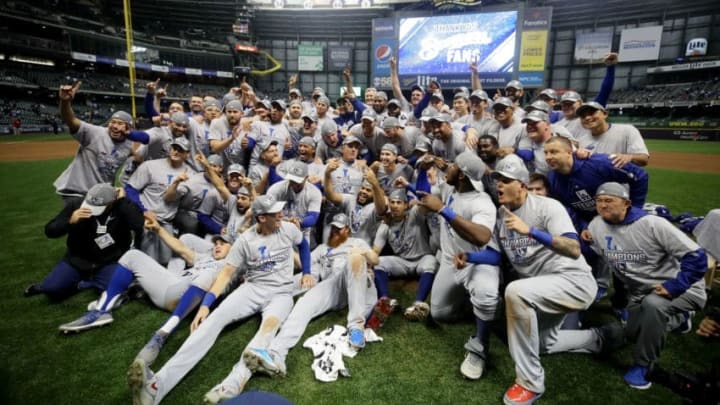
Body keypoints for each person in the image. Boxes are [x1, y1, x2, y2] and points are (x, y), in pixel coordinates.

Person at [128, 195, 313, 405]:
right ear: (262, 218)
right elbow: (225, 274)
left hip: (281, 293)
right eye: (275, 213)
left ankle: (231, 385)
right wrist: (206, 305)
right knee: (210, 324)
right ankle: (156, 386)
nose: (281, 214)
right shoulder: (245, 241)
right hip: (252, 289)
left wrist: (307, 271)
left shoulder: (288, 229)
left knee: (264, 337)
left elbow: (304, 245)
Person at [461, 156, 599, 404]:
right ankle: (599, 338)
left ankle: (530, 383)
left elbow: (573, 248)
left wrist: (532, 231)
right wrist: (470, 257)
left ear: (522, 185)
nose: (498, 185)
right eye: (497, 180)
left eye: (506, 180)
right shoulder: (501, 218)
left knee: (515, 292)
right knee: (542, 343)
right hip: (541, 289)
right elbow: (497, 256)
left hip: (573, 281)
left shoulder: (548, 207)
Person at [587, 182, 707, 389]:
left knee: (654, 305)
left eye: (609, 200)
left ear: (626, 203)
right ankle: (680, 320)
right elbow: (601, 256)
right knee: (634, 334)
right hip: (640, 292)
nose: (603, 205)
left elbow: (697, 256)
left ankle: (644, 365)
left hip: (682, 288)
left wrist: (676, 286)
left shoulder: (652, 224)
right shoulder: (596, 225)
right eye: (599, 201)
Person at [241, 213, 380, 380]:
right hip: (335, 285)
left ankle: (356, 326)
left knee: (355, 257)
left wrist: (363, 252)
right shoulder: (322, 248)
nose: (335, 231)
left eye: (339, 229)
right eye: (333, 228)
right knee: (304, 303)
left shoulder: (357, 242)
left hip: (359, 284)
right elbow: (303, 264)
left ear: (348, 230)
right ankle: (276, 354)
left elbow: (375, 259)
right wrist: (287, 243)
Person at [57, 216, 231, 340]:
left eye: (223, 244)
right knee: (132, 255)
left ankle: (164, 324)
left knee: (206, 276)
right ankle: (102, 310)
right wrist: (159, 229)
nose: (217, 246)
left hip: (187, 296)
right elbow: (181, 248)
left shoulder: (232, 268)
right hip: (173, 286)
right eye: (216, 243)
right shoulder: (206, 258)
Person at [415, 151, 500, 381]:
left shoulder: (482, 202)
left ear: (461, 175)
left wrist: (443, 209)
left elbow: (482, 237)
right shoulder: (450, 188)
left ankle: (480, 345)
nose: (447, 168)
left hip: (477, 261)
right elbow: (422, 195)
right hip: (449, 259)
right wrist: (422, 171)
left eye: (452, 165)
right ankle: (479, 309)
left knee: (485, 294)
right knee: (440, 314)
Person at [25, 183, 144, 300]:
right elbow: (50, 231)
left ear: (111, 203)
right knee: (52, 289)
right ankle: (83, 284)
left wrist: (123, 200)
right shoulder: (77, 205)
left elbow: (138, 224)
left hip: (109, 261)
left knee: (114, 291)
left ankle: (89, 283)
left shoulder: (121, 207)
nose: (91, 208)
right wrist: (70, 221)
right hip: (78, 260)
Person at [53, 81, 141, 207]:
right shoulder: (95, 133)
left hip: (101, 194)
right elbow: (70, 120)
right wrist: (65, 102)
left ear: (129, 128)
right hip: (78, 192)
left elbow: (136, 156)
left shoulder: (128, 143)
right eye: (113, 122)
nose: (115, 126)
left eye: (120, 123)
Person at [124, 138, 194, 265]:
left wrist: (177, 182)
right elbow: (130, 189)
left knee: (166, 260)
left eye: (181, 150)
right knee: (148, 260)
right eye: (175, 148)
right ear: (170, 148)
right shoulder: (150, 166)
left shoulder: (190, 174)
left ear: (187, 154)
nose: (176, 152)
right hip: (147, 218)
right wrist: (143, 210)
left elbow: (170, 197)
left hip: (167, 220)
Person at [372, 189, 438, 321]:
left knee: (431, 261)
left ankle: (418, 304)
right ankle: (385, 301)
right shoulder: (385, 224)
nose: (395, 205)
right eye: (392, 202)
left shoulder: (414, 214)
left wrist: (417, 202)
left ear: (406, 205)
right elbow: (375, 252)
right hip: (402, 262)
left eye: (399, 202)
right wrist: (368, 265)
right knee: (378, 262)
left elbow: (427, 204)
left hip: (422, 259)